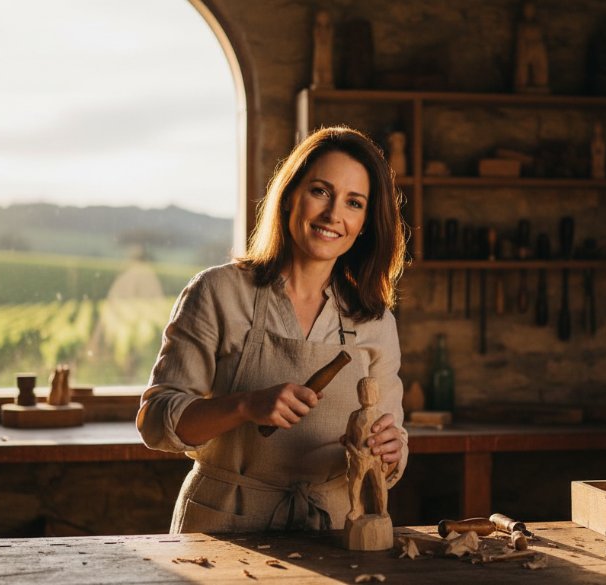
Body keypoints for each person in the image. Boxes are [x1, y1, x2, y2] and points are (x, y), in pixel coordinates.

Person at [137, 126, 409, 534]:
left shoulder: (374, 320)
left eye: (353, 203)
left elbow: (390, 447)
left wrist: (392, 450)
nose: (334, 214)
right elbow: (155, 422)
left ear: (365, 223)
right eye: (320, 191)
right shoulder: (218, 292)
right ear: (289, 198)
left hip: (335, 530)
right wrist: (244, 406)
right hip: (224, 525)